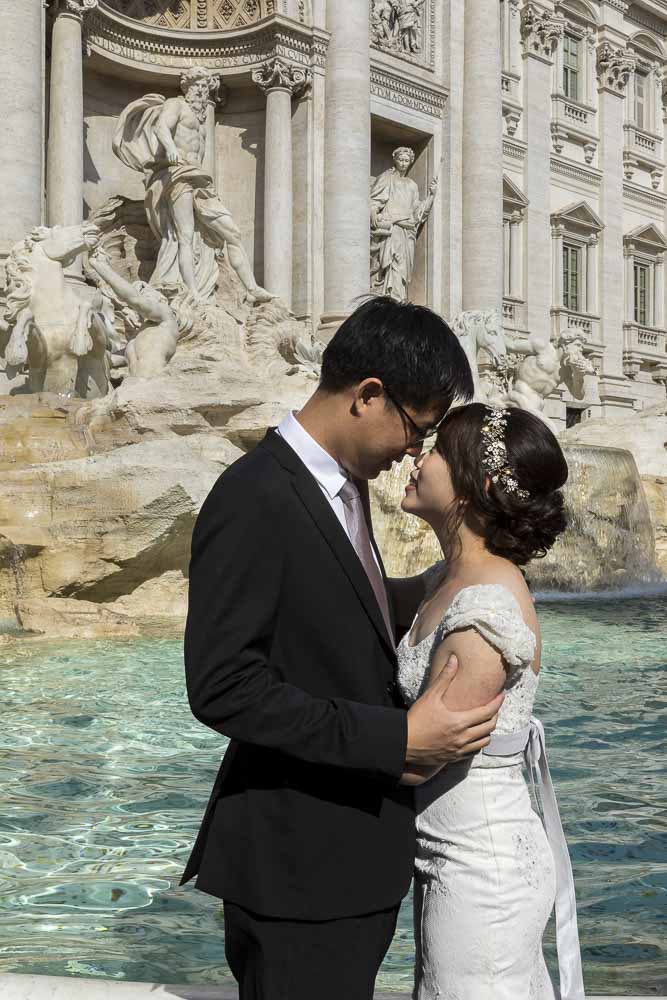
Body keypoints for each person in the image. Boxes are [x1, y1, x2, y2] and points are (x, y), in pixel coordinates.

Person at [181, 297, 505, 1000]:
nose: (414, 453)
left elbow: (332, 605)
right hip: (297, 866)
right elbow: (223, 685)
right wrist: (396, 738)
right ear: (367, 396)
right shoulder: (254, 495)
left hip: (345, 857)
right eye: (416, 430)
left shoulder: (343, 486)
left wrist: (440, 584)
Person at [397, 403, 585, 999]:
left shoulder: (486, 610)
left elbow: (417, 756)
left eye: (434, 450)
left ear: (472, 487)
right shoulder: (449, 579)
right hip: (460, 858)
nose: (415, 457)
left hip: (481, 872)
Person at [113, 67, 272, 303]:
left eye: (205, 87)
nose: (201, 92)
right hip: (178, 175)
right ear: (187, 88)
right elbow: (160, 127)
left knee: (233, 233)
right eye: (197, 86)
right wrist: (171, 149)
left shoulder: (201, 120)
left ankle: (251, 287)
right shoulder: (175, 105)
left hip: (199, 180)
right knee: (185, 236)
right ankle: (192, 292)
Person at [370, 147, 437, 303]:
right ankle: (389, 295)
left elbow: (418, 212)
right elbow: (374, 200)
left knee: (402, 268)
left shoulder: (412, 185)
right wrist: (373, 213)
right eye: (401, 159)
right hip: (392, 228)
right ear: (395, 159)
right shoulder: (387, 178)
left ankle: (398, 298)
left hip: (407, 231)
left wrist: (431, 196)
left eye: (407, 161)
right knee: (392, 261)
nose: (403, 163)